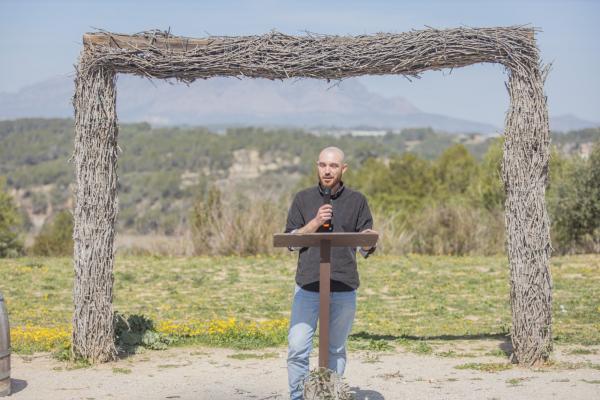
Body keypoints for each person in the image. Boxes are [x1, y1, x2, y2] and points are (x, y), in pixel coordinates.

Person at [284, 146, 378, 399]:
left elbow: (364, 245)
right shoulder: (302, 199)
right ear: (317, 166)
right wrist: (314, 223)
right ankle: (298, 396)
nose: (327, 170)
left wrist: (368, 241)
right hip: (308, 284)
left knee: (335, 348)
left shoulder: (357, 201)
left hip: (343, 285)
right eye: (323, 165)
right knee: (297, 347)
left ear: (343, 169)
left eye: (333, 166)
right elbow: (291, 241)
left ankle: (329, 395)